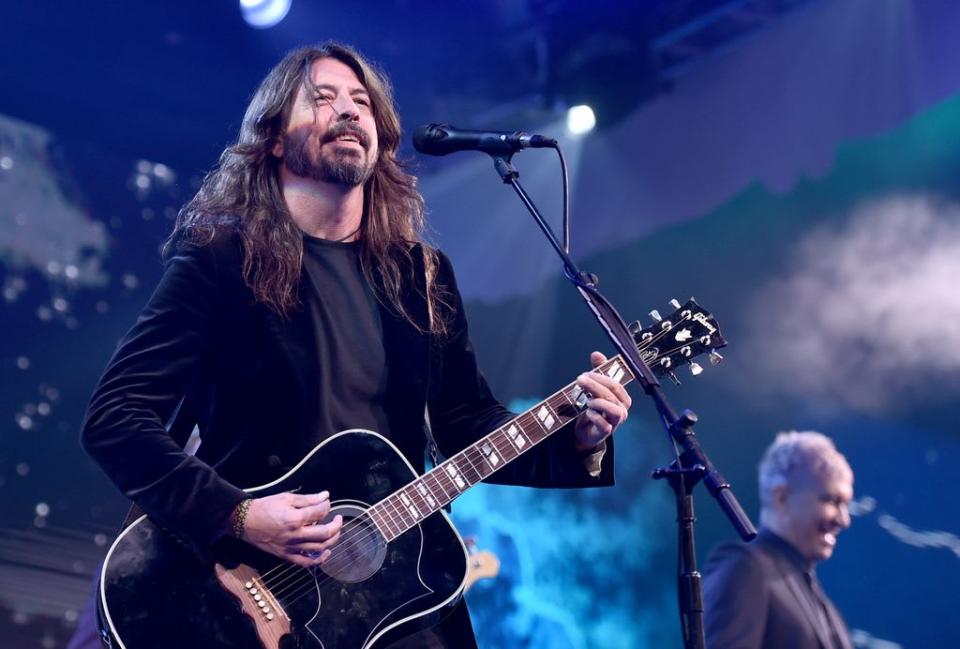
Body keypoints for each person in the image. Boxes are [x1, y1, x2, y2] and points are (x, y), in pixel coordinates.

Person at [78, 42, 632, 648]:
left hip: (395, 594)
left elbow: (465, 423)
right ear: (274, 140)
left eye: (362, 102)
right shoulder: (220, 263)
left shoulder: (420, 275)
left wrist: (577, 439)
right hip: (242, 592)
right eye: (322, 99)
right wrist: (238, 514)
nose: (349, 111)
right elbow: (115, 420)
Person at [702, 431, 854, 649]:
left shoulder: (820, 601)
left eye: (846, 505)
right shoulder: (745, 568)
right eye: (831, 500)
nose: (843, 520)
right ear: (781, 497)